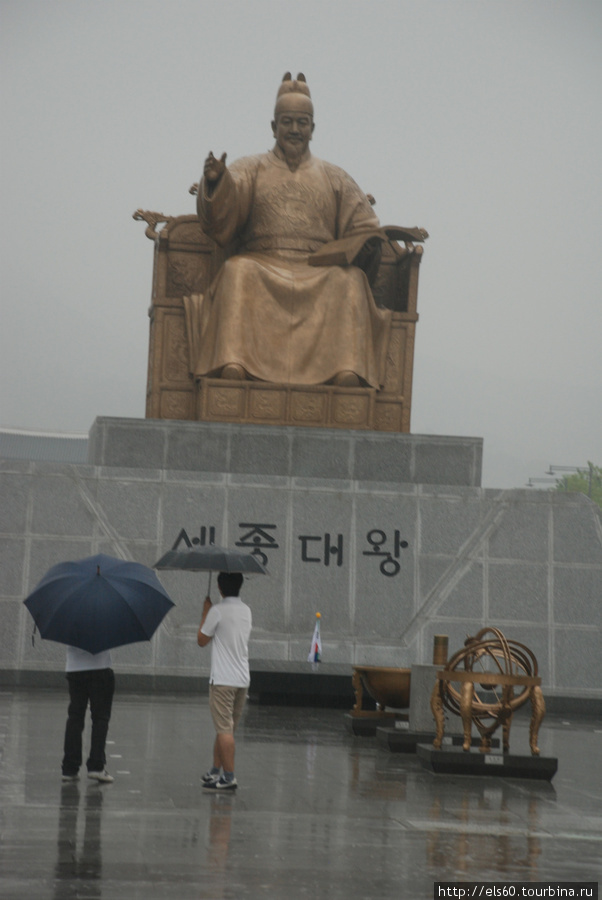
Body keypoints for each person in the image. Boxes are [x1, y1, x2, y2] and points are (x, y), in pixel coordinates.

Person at [185, 71, 393, 389]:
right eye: (287, 122)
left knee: (349, 281)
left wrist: (367, 242)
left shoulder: (336, 177)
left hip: (317, 268)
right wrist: (216, 182)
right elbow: (224, 210)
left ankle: (346, 370)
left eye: (302, 123)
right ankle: (233, 363)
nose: (294, 130)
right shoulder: (250, 167)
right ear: (274, 126)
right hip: (262, 260)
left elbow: (364, 226)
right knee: (237, 271)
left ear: (312, 128)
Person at [197, 572, 252, 792]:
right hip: (242, 679)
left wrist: (205, 613)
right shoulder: (246, 610)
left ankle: (229, 777)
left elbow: (201, 640)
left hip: (222, 681)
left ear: (219, 587)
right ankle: (214, 771)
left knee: (224, 730)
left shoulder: (217, 611)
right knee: (226, 730)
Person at [61, 646, 115, 783]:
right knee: (100, 719)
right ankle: (96, 767)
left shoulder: (68, 623)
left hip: (75, 668)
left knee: (75, 717)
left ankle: (70, 768)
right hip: (100, 667)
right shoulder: (106, 623)